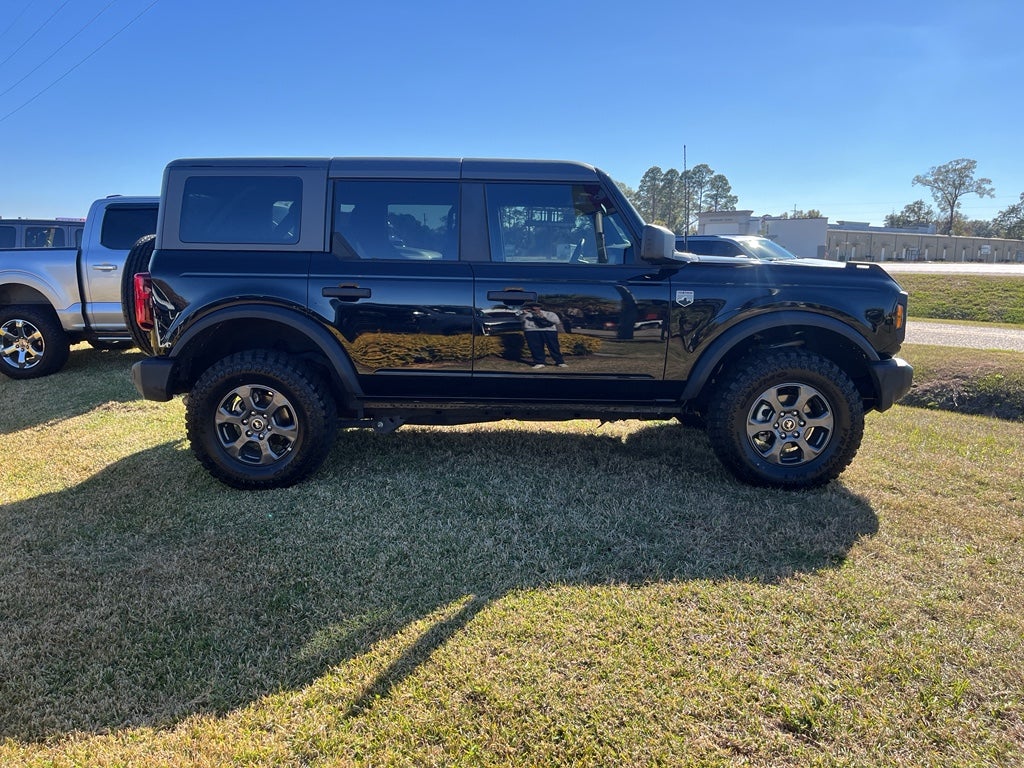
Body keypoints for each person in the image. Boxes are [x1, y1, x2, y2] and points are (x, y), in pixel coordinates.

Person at [521, 303, 566, 368]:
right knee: (535, 347)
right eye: (532, 307)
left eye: (536, 306)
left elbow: (556, 321)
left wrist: (543, 317)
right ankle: (539, 362)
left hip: (549, 330)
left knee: (553, 346)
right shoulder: (526, 314)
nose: (534, 308)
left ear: (540, 307)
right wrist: (523, 314)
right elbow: (519, 319)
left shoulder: (549, 313)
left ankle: (560, 362)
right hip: (531, 331)